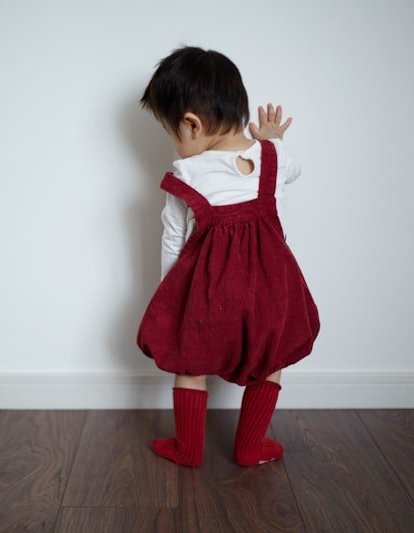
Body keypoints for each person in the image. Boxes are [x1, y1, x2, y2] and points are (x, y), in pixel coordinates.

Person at [136, 46, 321, 468]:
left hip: (208, 294)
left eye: (172, 133)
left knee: (190, 363)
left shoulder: (186, 174)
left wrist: (171, 300)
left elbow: (173, 241)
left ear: (192, 124)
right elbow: (293, 170)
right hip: (270, 289)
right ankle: (250, 446)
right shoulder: (274, 158)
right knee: (271, 359)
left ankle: (188, 448)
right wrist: (271, 141)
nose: (174, 145)